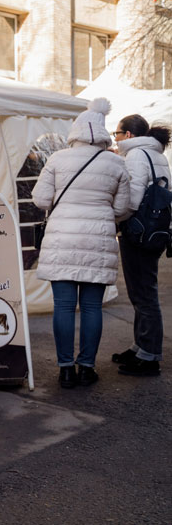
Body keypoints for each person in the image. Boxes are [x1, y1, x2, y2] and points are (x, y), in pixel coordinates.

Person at [31, 98, 130, 389]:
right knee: (91, 307)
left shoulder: (57, 159)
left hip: (62, 238)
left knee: (63, 306)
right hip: (98, 239)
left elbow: (39, 200)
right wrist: (99, 211)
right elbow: (123, 208)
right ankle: (86, 367)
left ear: (74, 132)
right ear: (102, 133)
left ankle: (64, 370)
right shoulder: (116, 163)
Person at [110, 114, 171, 377]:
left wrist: (116, 219)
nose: (116, 138)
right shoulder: (157, 154)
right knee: (143, 290)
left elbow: (132, 201)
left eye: (117, 133)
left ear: (129, 136)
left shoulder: (136, 156)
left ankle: (149, 356)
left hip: (138, 231)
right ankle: (140, 346)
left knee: (143, 293)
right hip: (155, 231)